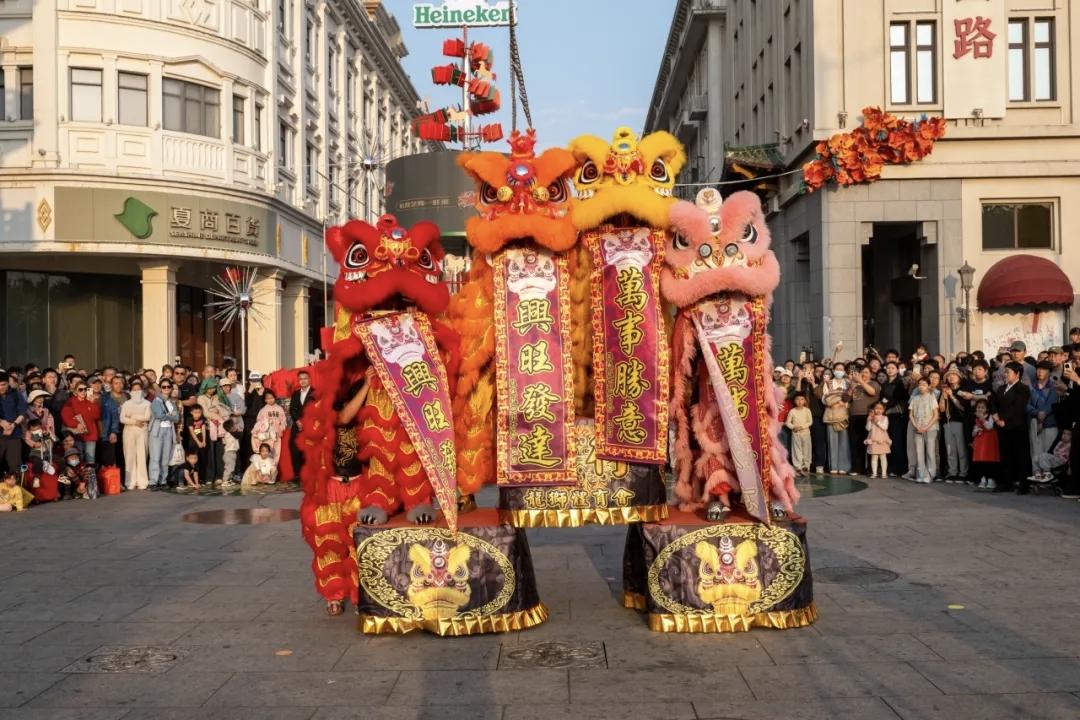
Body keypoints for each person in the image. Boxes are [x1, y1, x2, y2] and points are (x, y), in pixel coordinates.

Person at [993, 361, 1032, 494]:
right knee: (1005, 455)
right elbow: (993, 403)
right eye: (1005, 371)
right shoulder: (1001, 388)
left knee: (1020, 456)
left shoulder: (1023, 388)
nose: (1005, 374)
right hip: (1001, 426)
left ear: (1017, 374)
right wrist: (996, 417)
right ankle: (1006, 482)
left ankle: (1023, 484)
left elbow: (1018, 408)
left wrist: (1004, 420)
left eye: (1008, 372)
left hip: (1017, 426)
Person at [197, 378, 231, 485]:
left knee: (219, 452)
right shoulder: (201, 398)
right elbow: (205, 413)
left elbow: (220, 409)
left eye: (213, 387)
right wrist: (216, 415)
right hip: (207, 428)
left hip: (219, 428)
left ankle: (219, 475)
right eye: (210, 387)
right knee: (210, 453)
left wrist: (215, 412)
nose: (212, 389)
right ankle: (209, 476)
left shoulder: (217, 397)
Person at [119, 380, 152, 490]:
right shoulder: (126, 404)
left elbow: (147, 417)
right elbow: (122, 418)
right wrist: (134, 421)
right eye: (134, 389)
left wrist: (132, 417)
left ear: (142, 391)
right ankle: (130, 481)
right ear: (131, 391)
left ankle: (143, 481)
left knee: (142, 455)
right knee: (129, 456)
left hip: (143, 430)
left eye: (139, 389)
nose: (137, 391)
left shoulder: (147, 403)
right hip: (129, 431)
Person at [847, 366, 879, 475]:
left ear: (871, 374)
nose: (864, 374)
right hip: (854, 416)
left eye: (866, 372)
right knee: (855, 443)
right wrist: (852, 387)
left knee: (869, 442)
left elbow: (872, 392)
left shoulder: (873, 383)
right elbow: (846, 399)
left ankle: (870, 469)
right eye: (862, 372)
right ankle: (857, 468)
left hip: (867, 416)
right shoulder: (855, 385)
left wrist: (860, 381)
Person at [878, 361, 908, 477]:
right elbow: (882, 399)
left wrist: (889, 409)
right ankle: (889, 467)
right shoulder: (885, 383)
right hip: (886, 416)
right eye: (888, 368)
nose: (890, 370)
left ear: (897, 370)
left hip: (897, 416)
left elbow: (903, 401)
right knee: (887, 441)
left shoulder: (900, 382)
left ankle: (899, 468)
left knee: (896, 442)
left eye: (892, 368)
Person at [149, 380, 181, 488]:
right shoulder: (156, 401)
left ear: (171, 388)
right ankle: (153, 481)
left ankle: (163, 480)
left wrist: (168, 415)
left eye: (168, 387)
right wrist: (170, 415)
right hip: (157, 431)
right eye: (164, 387)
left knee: (166, 458)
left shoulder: (172, 402)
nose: (166, 389)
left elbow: (177, 418)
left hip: (169, 431)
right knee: (155, 457)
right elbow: (159, 415)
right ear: (160, 388)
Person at [940, 368, 969, 483]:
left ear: (959, 378)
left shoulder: (962, 390)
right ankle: (952, 471)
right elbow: (942, 408)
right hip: (947, 422)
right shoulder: (945, 390)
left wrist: (952, 396)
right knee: (950, 448)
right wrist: (943, 396)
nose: (951, 377)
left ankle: (963, 472)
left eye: (954, 375)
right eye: (949, 375)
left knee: (961, 448)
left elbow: (962, 407)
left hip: (959, 422)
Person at [61, 381, 101, 466]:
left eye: (85, 389)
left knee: (90, 459)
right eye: (80, 389)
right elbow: (65, 416)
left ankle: (90, 479)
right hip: (76, 435)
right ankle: (78, 478)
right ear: (75, 391)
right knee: (78, 458)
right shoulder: (71, 401)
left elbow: (96, 416)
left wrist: (93, 403)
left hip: (90, 434)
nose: (83, 391)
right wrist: (76, 424)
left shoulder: (91, 401)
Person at [909, 377, 940, 484]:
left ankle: (931, 474)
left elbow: (936, 415)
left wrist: (926, 427)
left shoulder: (931, 398)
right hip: (917, 427)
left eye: (924, 384)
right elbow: (911, 415)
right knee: (919, 451)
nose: (921, 386)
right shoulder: (915, 398)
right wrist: (917, 426)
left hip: (930, 428)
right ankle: (921, 474)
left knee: (930, 451)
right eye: (920, 384)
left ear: (928, 386)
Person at [822, 362, 852, 475]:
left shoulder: (848, 382)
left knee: (844, 440)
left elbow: (851, 398)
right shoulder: (828, 382)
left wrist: (844, 402)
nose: (839, 371)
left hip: (844, 414)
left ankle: (844, 466)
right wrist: (838, 401)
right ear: (833, 370)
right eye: (837, 369)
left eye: (842, 369)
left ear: (844, 371)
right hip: (831, 413)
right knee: (832, 440)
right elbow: (825, 398)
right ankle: (833, 466)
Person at [1027, 361, 1059, 459]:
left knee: (1048, 452)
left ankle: (1047, 473)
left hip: (1050, 424)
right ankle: (1036, 473)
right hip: (1033, 423)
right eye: (1038, 369)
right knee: (1035, 452)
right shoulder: (1031, 386)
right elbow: (1027, 405)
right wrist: (1037, 413)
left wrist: (1042, 416)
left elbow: (1051, 403)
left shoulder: (1054, 386)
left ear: (1049, 372)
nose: (1040, 371)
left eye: (1044, 369)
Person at [288, 370, 316, 481]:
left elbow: (316, 409)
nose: (303, 381)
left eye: (305, 378)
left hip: (310, 425)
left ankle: (309, 475)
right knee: (294, 448)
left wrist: (305, 422)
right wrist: (298, 421)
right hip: (297, 425)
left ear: (309, 380)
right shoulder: (295, 393)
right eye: (301, 379)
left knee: (308, 449)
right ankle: (297, 474)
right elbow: (292, 409)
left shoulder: (315, 393)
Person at [0, 371, 27, 476]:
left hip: (14, 435)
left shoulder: (15, 394)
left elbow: (22, 412)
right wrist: (1, 422)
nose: (1, 387)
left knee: (15, 467)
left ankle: (16, 491)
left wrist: (13, 425)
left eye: (3, 384)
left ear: (8, 383)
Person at [971, 399, 1001, 491]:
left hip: (989, 441)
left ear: (987, 409)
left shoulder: (990, 416)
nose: (980, 409)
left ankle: (991, 479)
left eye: (982, 407)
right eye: (978, 407)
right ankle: (983, 478)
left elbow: (989, 427)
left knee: (990, 460)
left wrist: (982, 419)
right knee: (981, 461)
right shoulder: (975, 418)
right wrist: (975, 431)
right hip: (980, 441)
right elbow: (973, 432)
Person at [251, 389, 287, 463]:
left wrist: (281, 429)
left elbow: (283, 421)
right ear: (265, 400)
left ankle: (273, 472)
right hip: (267, 436)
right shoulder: (263, 410)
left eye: (272, 398)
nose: (270, 400)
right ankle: (266, 471)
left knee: (276, 454)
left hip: (277, 435)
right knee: (267, 453)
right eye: (268, 398)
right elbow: (258, 423)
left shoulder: (279, 409)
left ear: (275, 398)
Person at [99, 375, 127, 469]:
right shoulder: (105, 398)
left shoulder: (127, 396)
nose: (119, 385)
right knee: (110, 457)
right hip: (110, 429)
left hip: (125, 428)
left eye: (121, 383)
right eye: (116, 383)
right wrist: (111, 431)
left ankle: (122, 480)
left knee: (122, 455)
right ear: (111, 385)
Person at [784, 392, 812, 476]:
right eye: (798, 399)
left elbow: (810, 422)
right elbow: (787, 422)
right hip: (796, 434)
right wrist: (793, 427)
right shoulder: (792, 411)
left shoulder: (807, 410)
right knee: (796, 450)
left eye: (802, 399)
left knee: (807, 450)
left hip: (806, 433)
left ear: (805, 401)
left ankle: (806, 466)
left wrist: (802, 427)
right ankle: (798, 467)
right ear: (794, 401)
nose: (800, 401)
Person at [865, 401, 891, 479]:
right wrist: (869, 420)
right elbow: (868, 428)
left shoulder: (885, 418)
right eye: (876, 408)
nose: (878, 410)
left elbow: (885, 427)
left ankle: (883, 473)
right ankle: (874, 473)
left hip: (882, 440)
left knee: (883, 456)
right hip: (873, 439)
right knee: (874, 457)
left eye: (880, 409)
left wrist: (877, 421)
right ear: (873, 409)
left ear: (883, 410)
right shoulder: (871, 418)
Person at [184, 404, 209, 484]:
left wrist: (204, 441)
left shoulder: (203, 419)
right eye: (195, 412)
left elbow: (203, 429)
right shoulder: (189, 420)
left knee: (203, 460)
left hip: (202, 443)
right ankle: (193, 480)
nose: (197, 414)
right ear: (191, 412)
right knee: (194, 461)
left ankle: (202, 478)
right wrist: (198, 442)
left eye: (199, 412)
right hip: (194, 443)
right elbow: (192, 432)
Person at [221, 418, 240, 486]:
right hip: (229, 453)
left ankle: (229, 480)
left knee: (232, 467)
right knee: (229, 468)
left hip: (232, 453)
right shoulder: (229, 434)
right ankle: (225, 480)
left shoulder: (230, 434)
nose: (235, 426)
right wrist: (236, 430)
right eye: (234, 425)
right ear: (231, 427)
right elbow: (237, 435)